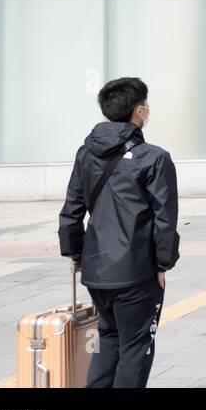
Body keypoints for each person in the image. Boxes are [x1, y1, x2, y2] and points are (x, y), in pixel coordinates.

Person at [58, 77, 180, 388]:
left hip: (97, 269)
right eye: (146, 105)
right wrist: (163, 263)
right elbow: (164, 218)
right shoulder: (154, 158)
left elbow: (72, 211)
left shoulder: (86, 153)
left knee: (108, 339)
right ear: (139, 110)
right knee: (136, 348)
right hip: (136, 271)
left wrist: (76, 254)